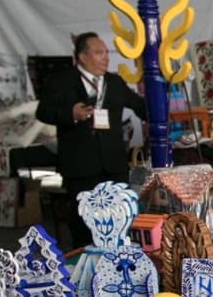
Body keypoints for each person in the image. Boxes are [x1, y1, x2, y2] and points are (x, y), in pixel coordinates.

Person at [36, 32, 146, 250]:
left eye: (106, 53)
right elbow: (43, 112)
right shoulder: (62, 81)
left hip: (113, 165)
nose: (105, 58)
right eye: (99, 53)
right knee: (84, 224)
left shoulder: (114, 82)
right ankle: (84, 271)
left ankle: (118, 262)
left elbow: (141, 108)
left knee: (120, 218)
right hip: (80, 167)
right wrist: (69, 114)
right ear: (82, 57)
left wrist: (161, 90)